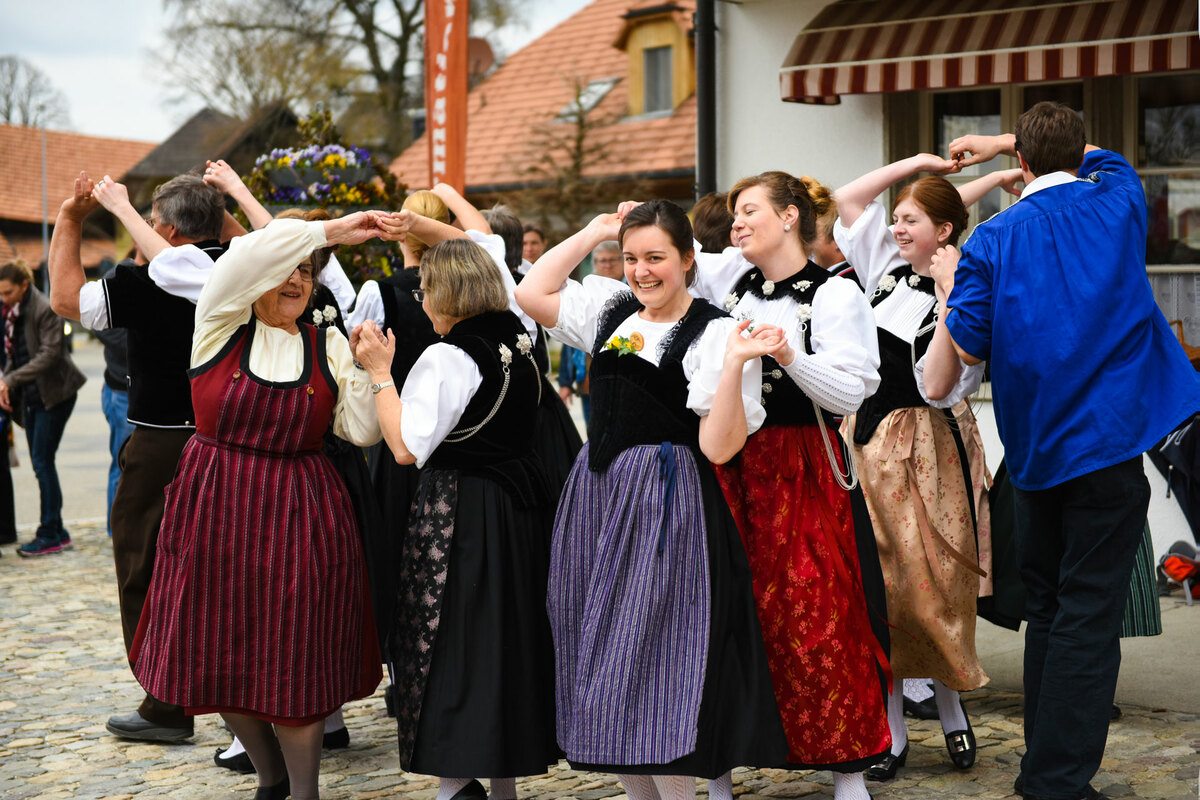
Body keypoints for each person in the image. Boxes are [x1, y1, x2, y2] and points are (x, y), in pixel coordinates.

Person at [925, 101, 1200, 800]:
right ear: (1078, 157)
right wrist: (1006, 140)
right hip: (1106, 449)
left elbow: (967, 349)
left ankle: (1040, 772)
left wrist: (951, 292)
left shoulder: (991, 240)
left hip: (1036, 450)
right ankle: (1056, 782)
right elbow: (1099, 156)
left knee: (1049, 609)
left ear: (1019, 168)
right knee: (1086, 616)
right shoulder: (1119, 200)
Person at [516, 200, 790, 800]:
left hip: (665, 506)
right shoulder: (611, 308)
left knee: (657, 661)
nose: (641, 271)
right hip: (598, 497)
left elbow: (719, 448)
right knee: (602, 656)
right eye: (633, 258)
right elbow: (533, 293)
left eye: (656, 258)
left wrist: (735, 367)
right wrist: (596, 229)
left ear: (689, 259)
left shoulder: (716, 331)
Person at [130, 211, 384, 800]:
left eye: (305, 272)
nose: (295, 280)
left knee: (295, 648)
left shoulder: (329, 346)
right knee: (210, 645)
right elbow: (247, 255)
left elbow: (362, 432)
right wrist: (331, 231)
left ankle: (303, 792)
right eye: (282, 269)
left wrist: (377, 374)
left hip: (302, 507)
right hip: (216, 502)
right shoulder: (220, 321)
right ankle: (268, 776)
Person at [687, 173, 886, 800]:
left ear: (791, 217)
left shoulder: (833, 297)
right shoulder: (727, 282)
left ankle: (847, 768)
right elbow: (668, 260)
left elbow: (850, 392)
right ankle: (719, 768)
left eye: (749, 212)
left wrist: (790, 358)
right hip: (732, 466)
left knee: (820, 614)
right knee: (726, 613)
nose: (736, 224)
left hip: (804, 464)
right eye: (735, 214)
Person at [832, 154, 1021, 780]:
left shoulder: (969, 279)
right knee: (882, 583)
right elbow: (847, 196)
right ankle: (891, 723)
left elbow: (953, 377)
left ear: (943, 231)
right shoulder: (880, 269)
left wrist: (947, 292)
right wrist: (926, 164)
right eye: (897, 219)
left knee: (935, 581)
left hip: (932, 444)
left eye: (910, 220)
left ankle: (947, 703)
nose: (896, 228)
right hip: (872, 446)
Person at [354, 236, 558, 800]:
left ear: (445, 291)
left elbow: (403, 447)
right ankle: (504, 786)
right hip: (516, 509)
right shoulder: (518, 335)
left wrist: (378, 372)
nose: (420, 301)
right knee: (505, 638)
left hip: (462, 511)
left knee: (454, 638)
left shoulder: (448, 356)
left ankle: (457, 782)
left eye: (424, 290)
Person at [49, 170, 228, 741]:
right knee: (229, 566)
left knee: (141, 561)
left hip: (163, 440)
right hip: (231, 439)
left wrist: (71, 218)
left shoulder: (144, 280)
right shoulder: (239, 266)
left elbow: (63, 298)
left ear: (168, 228)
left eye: (154, 221)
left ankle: (167, 702)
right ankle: (240, 700)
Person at [0, 260, 86, 557]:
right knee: (42, 463)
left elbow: (50, 354)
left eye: (8, 292)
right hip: (34, 397)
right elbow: (13, 351)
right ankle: (57, 529)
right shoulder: (13, 311)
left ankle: (49, 533)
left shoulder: (43, 307)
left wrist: (10, 379)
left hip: (56, 395)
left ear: (24, 285)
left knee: (42, 462)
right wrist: (6, 383)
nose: (4, 298)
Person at [557, 241, 623, 424]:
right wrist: (565, 383)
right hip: (587, 379)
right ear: (594, 263)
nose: (607, 265)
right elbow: (569, 340)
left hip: (621, 378)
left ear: (623, 261)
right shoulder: (585, 293)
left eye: (612, 260)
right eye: (602, 261)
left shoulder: (635, 290)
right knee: (593, 434)